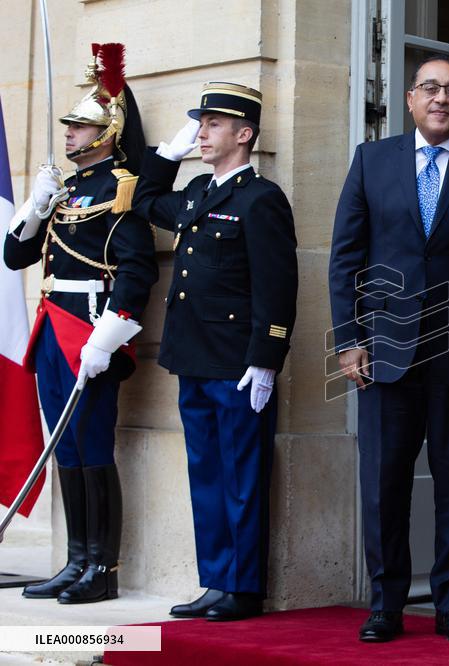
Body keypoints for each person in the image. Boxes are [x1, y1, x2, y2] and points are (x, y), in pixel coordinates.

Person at [329, 54, 449, 643]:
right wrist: (349, 340)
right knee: (384, 484)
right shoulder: (371, 161)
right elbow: (345, 258)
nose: (442, 98)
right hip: (383, 351)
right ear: (410, 98)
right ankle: (385, 604)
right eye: (431, 88)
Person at [131, 82, 298, 622]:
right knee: (206, 476)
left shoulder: (261, 198)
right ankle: (215, 581)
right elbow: (142, 202)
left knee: (242, 477)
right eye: (200, 125)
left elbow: (277, 285)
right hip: (192, 357)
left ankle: (242, 588)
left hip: (237, 364)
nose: (201, 134)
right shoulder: (199, 190)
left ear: (244, 134)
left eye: (213, 125)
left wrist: (266, 359)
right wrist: (166, 155)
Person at [4, 43, 156, 605]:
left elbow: (137, 274)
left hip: (91, 331)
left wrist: (106, 340)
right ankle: (75, 560)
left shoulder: (120, 189)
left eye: (80, 126)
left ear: (107, 132)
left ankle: (102, 568)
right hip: (52, 328)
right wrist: (36, 206)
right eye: (68, 126)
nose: (69, 134)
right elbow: (15, 257)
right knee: (65, 446)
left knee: (92, 446)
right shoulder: (65, 188)